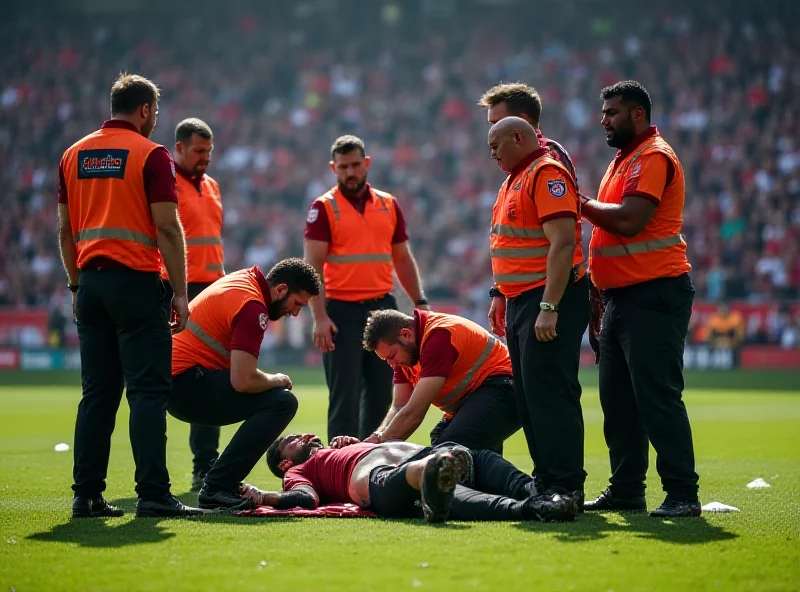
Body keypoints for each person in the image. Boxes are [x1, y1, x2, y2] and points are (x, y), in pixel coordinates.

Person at [57, 73, 201, 518]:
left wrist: (77, 285)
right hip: (137, 284)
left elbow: (65, 230)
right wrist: (180, 292)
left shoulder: (73, 154)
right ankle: (154, 494)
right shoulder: (151, 154)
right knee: (147, 393)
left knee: (97, 394)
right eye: (155, 112)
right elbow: (166, 228)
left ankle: (86, 495)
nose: (156, 119)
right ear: (144, 110)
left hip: (91, 284)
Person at [580, 81, 701, 518]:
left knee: (656, 396)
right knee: (617, 402)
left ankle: (683, 493)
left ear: (638, 114)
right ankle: (627, 489)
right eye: (603, 112)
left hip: (654, 292)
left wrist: (580, 204)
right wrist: (598, 298)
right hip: (621, 299)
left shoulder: (653, 156)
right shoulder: (624, 160)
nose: (604, 120)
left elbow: (630, 221)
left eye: (612, 112)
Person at [486, 116, 589, 508]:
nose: (492, 153)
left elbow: (563, 243)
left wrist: (550, 306)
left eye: (496, 144)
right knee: (531, 396)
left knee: (550, 393)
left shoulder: (546, 173)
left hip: (545, 298)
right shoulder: (516, 176)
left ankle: (566, 485)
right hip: (521, 300)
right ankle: (547, 481)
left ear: (518, 137)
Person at [169, 259, 321, 510]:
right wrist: (277, 379)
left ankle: (217, 482)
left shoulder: (245, 280)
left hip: (177, 381)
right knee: (283, 401)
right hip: (185, 385)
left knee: (275, 395)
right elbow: (243, 380)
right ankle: (217, 486)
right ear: (281, 290)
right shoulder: (253, 307)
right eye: (297, 304)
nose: (295, 314)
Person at [304, 135, 428, 442]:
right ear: (334, 168)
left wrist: (420, 302)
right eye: (344, 167)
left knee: (382, 394)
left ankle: (370, 460)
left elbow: (402, 257)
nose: (350, 172)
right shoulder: (323, 208)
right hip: (341, 311)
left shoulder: (388, 205)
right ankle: (339, 467)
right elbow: (313, 266)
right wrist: (319, 317)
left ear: (367, 163)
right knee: (344, 396)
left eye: (356, 165)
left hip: (383, 308)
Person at [262, 434, 579, 523]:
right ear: (285, 460)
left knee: (479, 458)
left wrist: (359, 441)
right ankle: (528, 509)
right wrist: (263, 497)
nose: (307, 435)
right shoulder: (296, 471)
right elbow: (305, 500)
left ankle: (538, 494)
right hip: (381, 481)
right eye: (294, 439)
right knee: (441, 485)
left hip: (424, 454)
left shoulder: (335, 448)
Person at [160, 117, 226, 492]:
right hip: (178, 288)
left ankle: (205, 465)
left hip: (212, 288)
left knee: (211, 373)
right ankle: (157, 468)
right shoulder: (166, 183)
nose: (206, 158)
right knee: (168, 374)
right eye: (199, 151)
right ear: (179, 147)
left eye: (209, 151)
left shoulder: (213, 186)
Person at [360, 309, 520, 453]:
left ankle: (522, 486)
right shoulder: (406, 353)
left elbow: (414, 412)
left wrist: (378, 449)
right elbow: (399, 405)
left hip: (505, 388)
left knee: (450, 449)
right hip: (483, 395)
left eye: (392, 355)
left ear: (406, 335)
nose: (392, 364)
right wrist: (378, 435)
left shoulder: (438, 337)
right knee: (442, 442)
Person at [479, 82, 578, 185]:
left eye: (498, 123)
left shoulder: (550, 155)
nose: (493, 130)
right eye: (491, 124)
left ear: (523, 120)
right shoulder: (516, 162)